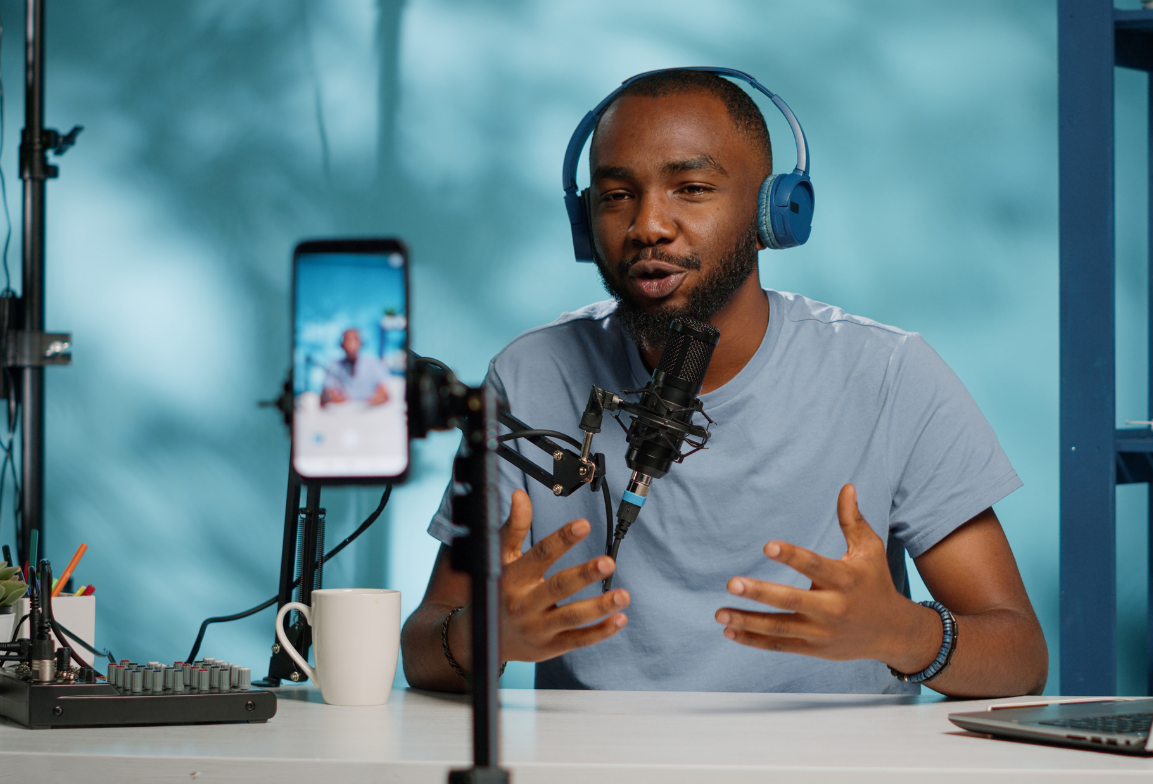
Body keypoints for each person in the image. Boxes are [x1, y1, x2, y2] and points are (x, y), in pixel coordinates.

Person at [401, 69, 1047, 697]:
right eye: (617, 195)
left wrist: (902, 632)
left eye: (691, 188)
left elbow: (1021, 657)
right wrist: (487, 634)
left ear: (775, 214)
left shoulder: (889, 375)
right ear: (584, 220)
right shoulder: (527, 377)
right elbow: (425, 643)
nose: (648, 225)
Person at [321, 328, 390, 406]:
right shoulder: (334, 366)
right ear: (342, 345)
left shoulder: (374, 364)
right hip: (342, 412)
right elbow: (325, 394)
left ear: (360, 343)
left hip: (369, 413)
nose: (351, 344)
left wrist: (371, 401)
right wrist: (332, 397)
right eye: (348, 340)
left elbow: (384, 394)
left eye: (354, 340)